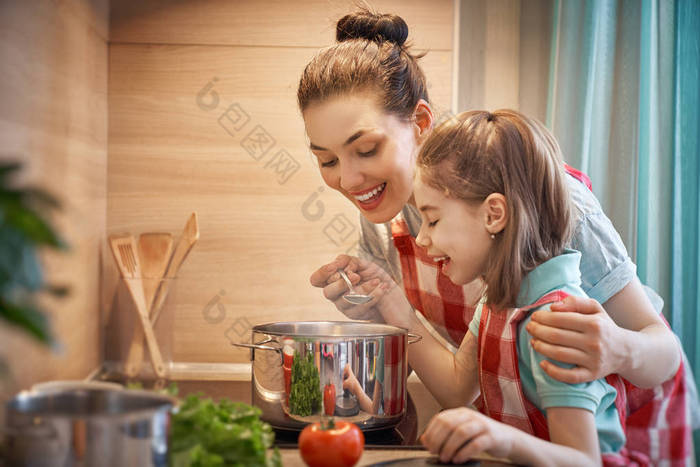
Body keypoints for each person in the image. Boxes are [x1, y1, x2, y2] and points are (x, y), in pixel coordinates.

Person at [299, 9, 693, 396]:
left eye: (366, 149)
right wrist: (378, 310)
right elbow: (460, 386)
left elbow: (663, 352)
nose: (348, 180)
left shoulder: (548, 200)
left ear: (420, 123)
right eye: (327, 160)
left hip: (633, 417)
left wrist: (617, 349)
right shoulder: (383, 219)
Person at [371, 109, 692, 464]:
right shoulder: (498, 300)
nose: (421, 238)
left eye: (432, 219)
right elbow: (456, 389)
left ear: (494, 214)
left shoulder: (555, 321)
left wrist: (500, 440)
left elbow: (583, 460)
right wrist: (389, 301)